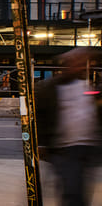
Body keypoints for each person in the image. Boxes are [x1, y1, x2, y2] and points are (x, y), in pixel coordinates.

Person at [36, 47, 102, 206]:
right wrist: (41, 143)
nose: (80, 67)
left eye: (83, 63)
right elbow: (40, 115)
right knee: (72, 189)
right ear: (66, 65)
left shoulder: (87, 87)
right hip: (65, 147)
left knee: (80, 188)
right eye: (76, 63)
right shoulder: (50, 88)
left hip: (87, 147)